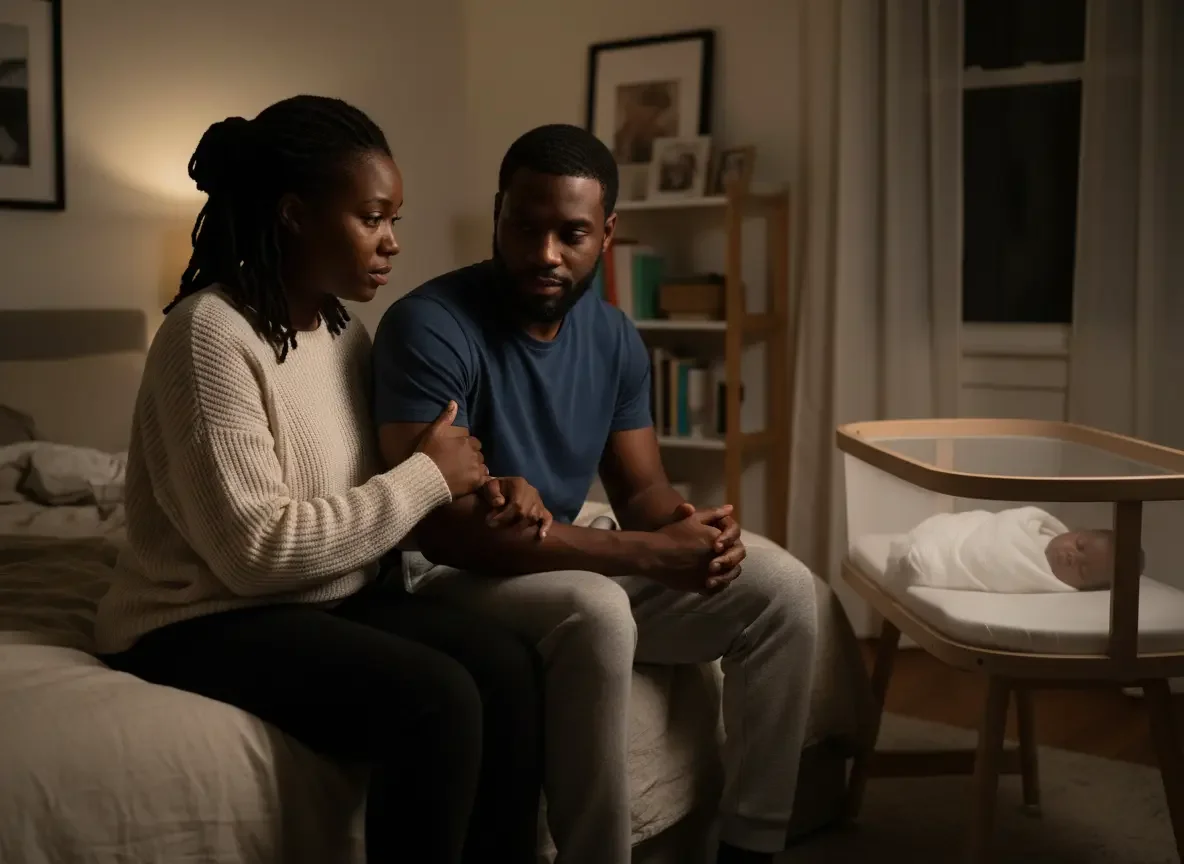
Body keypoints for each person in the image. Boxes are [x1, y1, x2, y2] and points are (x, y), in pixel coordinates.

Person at [94, 95, 551, 864]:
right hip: (199, 620)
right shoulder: (207, 337)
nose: (392, 243)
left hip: (332, 594)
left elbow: (386, 491)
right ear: (295, 215)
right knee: (434, 699)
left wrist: (488, 485)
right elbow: (255, 554)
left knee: (508, 664)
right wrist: (424, 477)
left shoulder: (344, 333)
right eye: (372, 218)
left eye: (394, 220)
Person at [370, 123, 820, 864]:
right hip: (449, 579)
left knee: (784, 591)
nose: (545, 253)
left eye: (571, 233)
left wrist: (686, 529)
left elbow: (641, 489)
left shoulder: (613, 336)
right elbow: (447, 530)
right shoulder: (429, 327)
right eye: (526, 226)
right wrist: (644, 552)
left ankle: (750, 846)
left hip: (564, 548)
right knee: (600, 608)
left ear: (607, 234)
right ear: (498, 215)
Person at [884, 506, 1136, 594]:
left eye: (1082, 570)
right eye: (1079, 545)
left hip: (948, 555)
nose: (1073, 557)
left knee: (927, 558)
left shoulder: (1036, 577)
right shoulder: (1031, 526)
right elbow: (992, 527)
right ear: (1073, 531)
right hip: (967, 532)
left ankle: (927, 558)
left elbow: (991, 558)